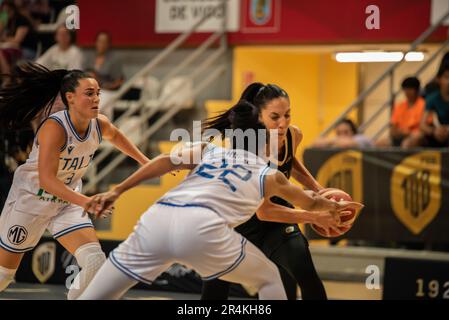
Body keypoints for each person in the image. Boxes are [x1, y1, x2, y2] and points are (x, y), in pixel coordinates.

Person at [77, 100, 362, 300]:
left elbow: (163, 161)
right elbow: (311, 202)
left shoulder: (207, 150)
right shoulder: (268, 174)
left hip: (156, 220)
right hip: (203, 228)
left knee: (96, 296)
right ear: (264, 142)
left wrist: (117, 190)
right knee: (269, 278)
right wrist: (335, 208)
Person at [0, 62, 150, 299]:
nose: (96, 98)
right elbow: (47, 181)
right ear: (70, 97)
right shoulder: (55, 128)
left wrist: (146, 162)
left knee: (95, 261)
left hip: (67, 201)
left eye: (98, 93)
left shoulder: (99, 124)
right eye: (89, 94)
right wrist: (86, 201)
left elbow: (117, 137)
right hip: (31, 199)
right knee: (4, 275)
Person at [201, 83, 328, 300]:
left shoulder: (293, 135)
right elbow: (264, 211)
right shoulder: (245, 147)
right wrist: (315, 215)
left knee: (306, 274)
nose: (283, 123)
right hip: (239, 220)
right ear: (259, 117)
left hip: (278, 218)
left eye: (287, 115)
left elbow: (290, 161)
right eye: (275, 117)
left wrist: (319, 189)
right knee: (214, 293)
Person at [375, 77, 425, 148]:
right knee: (379, 143)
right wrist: (402, 133)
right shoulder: (399, 106)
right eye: (405, 89)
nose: (407, 92)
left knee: (408, 143)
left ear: (416, 90)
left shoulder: (423, 105)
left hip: (415, 137)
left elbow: (423, 128)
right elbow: (393, 129)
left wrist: (407, 133)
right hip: (400, 136)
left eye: (410, 89)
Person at [411, 63, 449, 148]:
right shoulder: (432, 98)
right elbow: (422, 125)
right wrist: (434, 131)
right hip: (437, 133)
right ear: (439, 79)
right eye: (446, 77)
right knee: (414, 139)